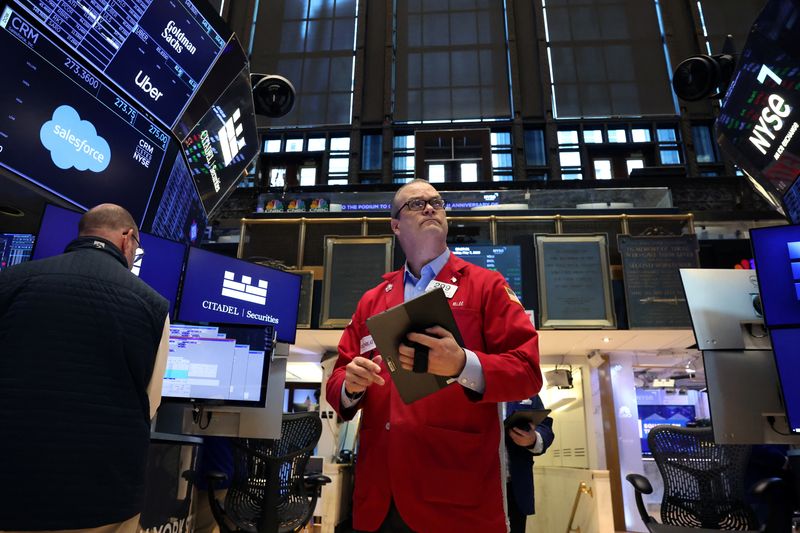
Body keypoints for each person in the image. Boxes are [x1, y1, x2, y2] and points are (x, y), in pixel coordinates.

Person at [326, 179, 542, 533]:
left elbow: (528, 371)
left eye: (436, 202)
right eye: (416, 204)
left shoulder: (486, 286)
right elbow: (337, 382)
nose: (430, 207)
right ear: (395, 225)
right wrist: (351, 386)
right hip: (378, 497)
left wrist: (461, 364)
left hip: (454, 496)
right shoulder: (373, 300)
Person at [0, 204, 170, 533]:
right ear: (127, 239)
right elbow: (150, 403)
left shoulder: (9, 282)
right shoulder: (152, 305)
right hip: (102, 495)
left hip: (11, 486)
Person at [505, 396, 555, 533]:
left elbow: (545, 427)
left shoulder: (526, 388)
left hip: (516, 489)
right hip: (480, 487)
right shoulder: (471, 385)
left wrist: (534, 439)